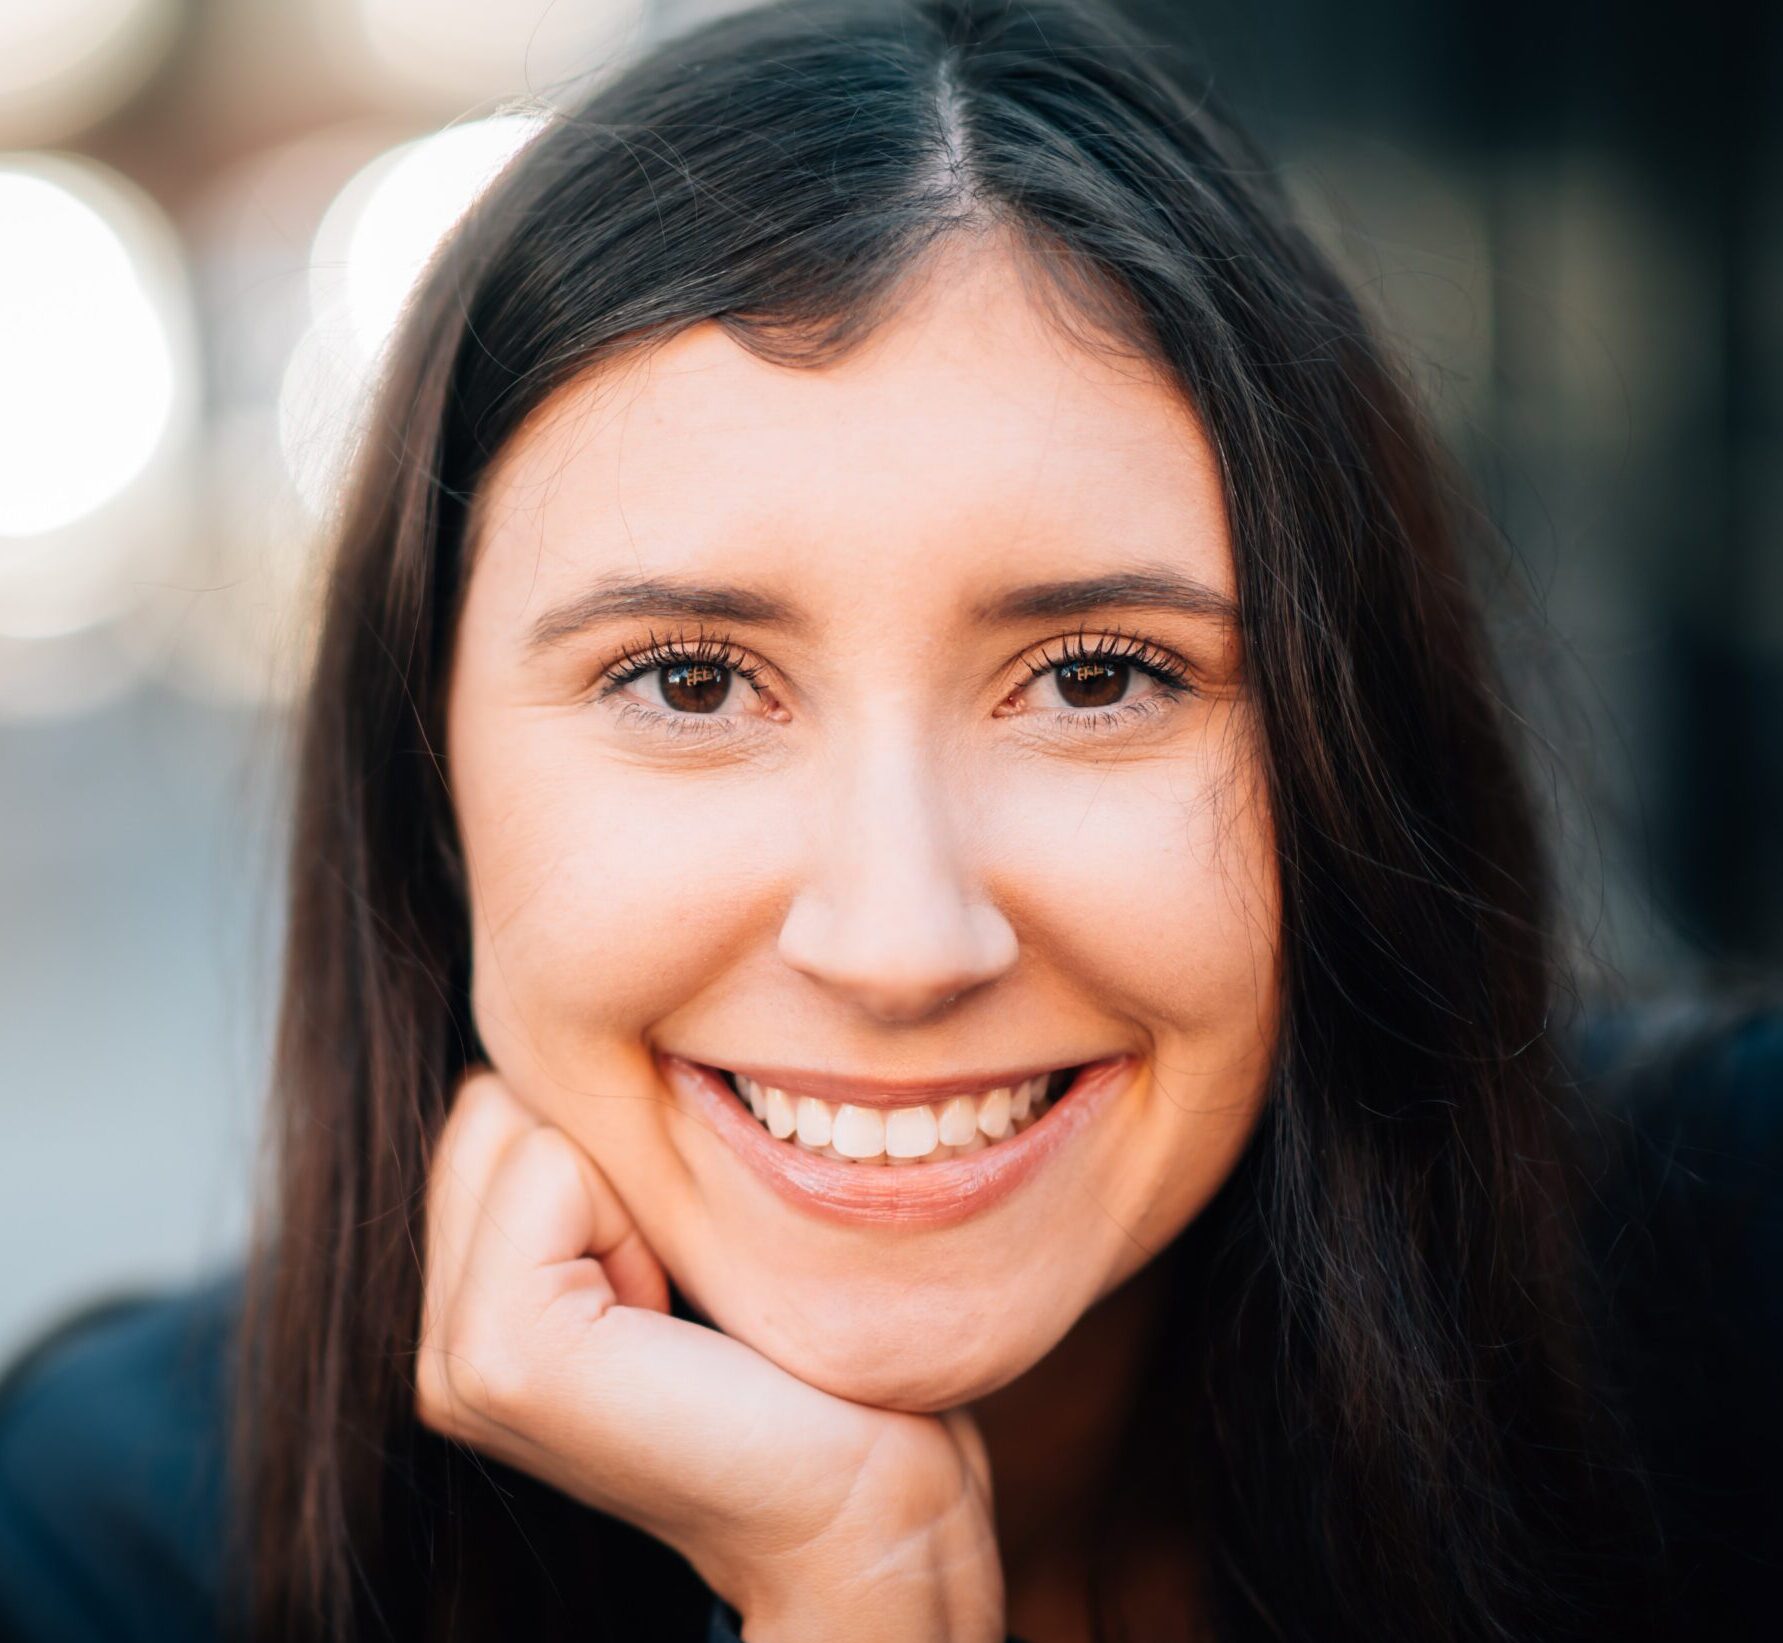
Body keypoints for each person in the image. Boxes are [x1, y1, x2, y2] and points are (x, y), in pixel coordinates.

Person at [1, 1, 1779, 1639]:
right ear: (430, 780)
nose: (900, 943)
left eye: (1097, 678)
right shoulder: (125, 1551)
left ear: (1344, 752)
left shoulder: (1736, 1273)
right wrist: (848, 1574)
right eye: (690, 682)